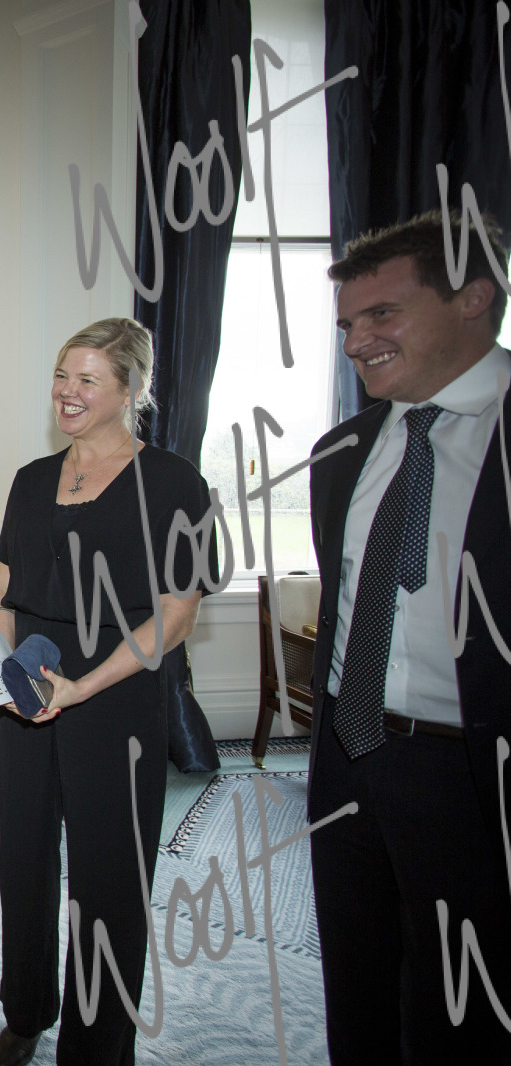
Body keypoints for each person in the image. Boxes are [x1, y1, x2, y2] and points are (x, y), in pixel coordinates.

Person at [0, 318, 217, 1066]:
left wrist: (85, 685)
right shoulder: (30, 479)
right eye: (61, 375)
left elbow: (177, 614)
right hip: (31, 696)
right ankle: (26, 1010)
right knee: (23, 863)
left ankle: (98, 1045)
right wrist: (5, 669)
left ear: (131, 390)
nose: (67, 392)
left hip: (118, 697)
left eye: (87, 379)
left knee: (109, 879)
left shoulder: (174, 482)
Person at [306, 210, 511, 1063]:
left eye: (382, 314)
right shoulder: (339, 452)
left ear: (473, 298)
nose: (357, 342)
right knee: (357, 983)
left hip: (471, 775)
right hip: (346, 755)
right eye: (348, 324)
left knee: (465, 1008)